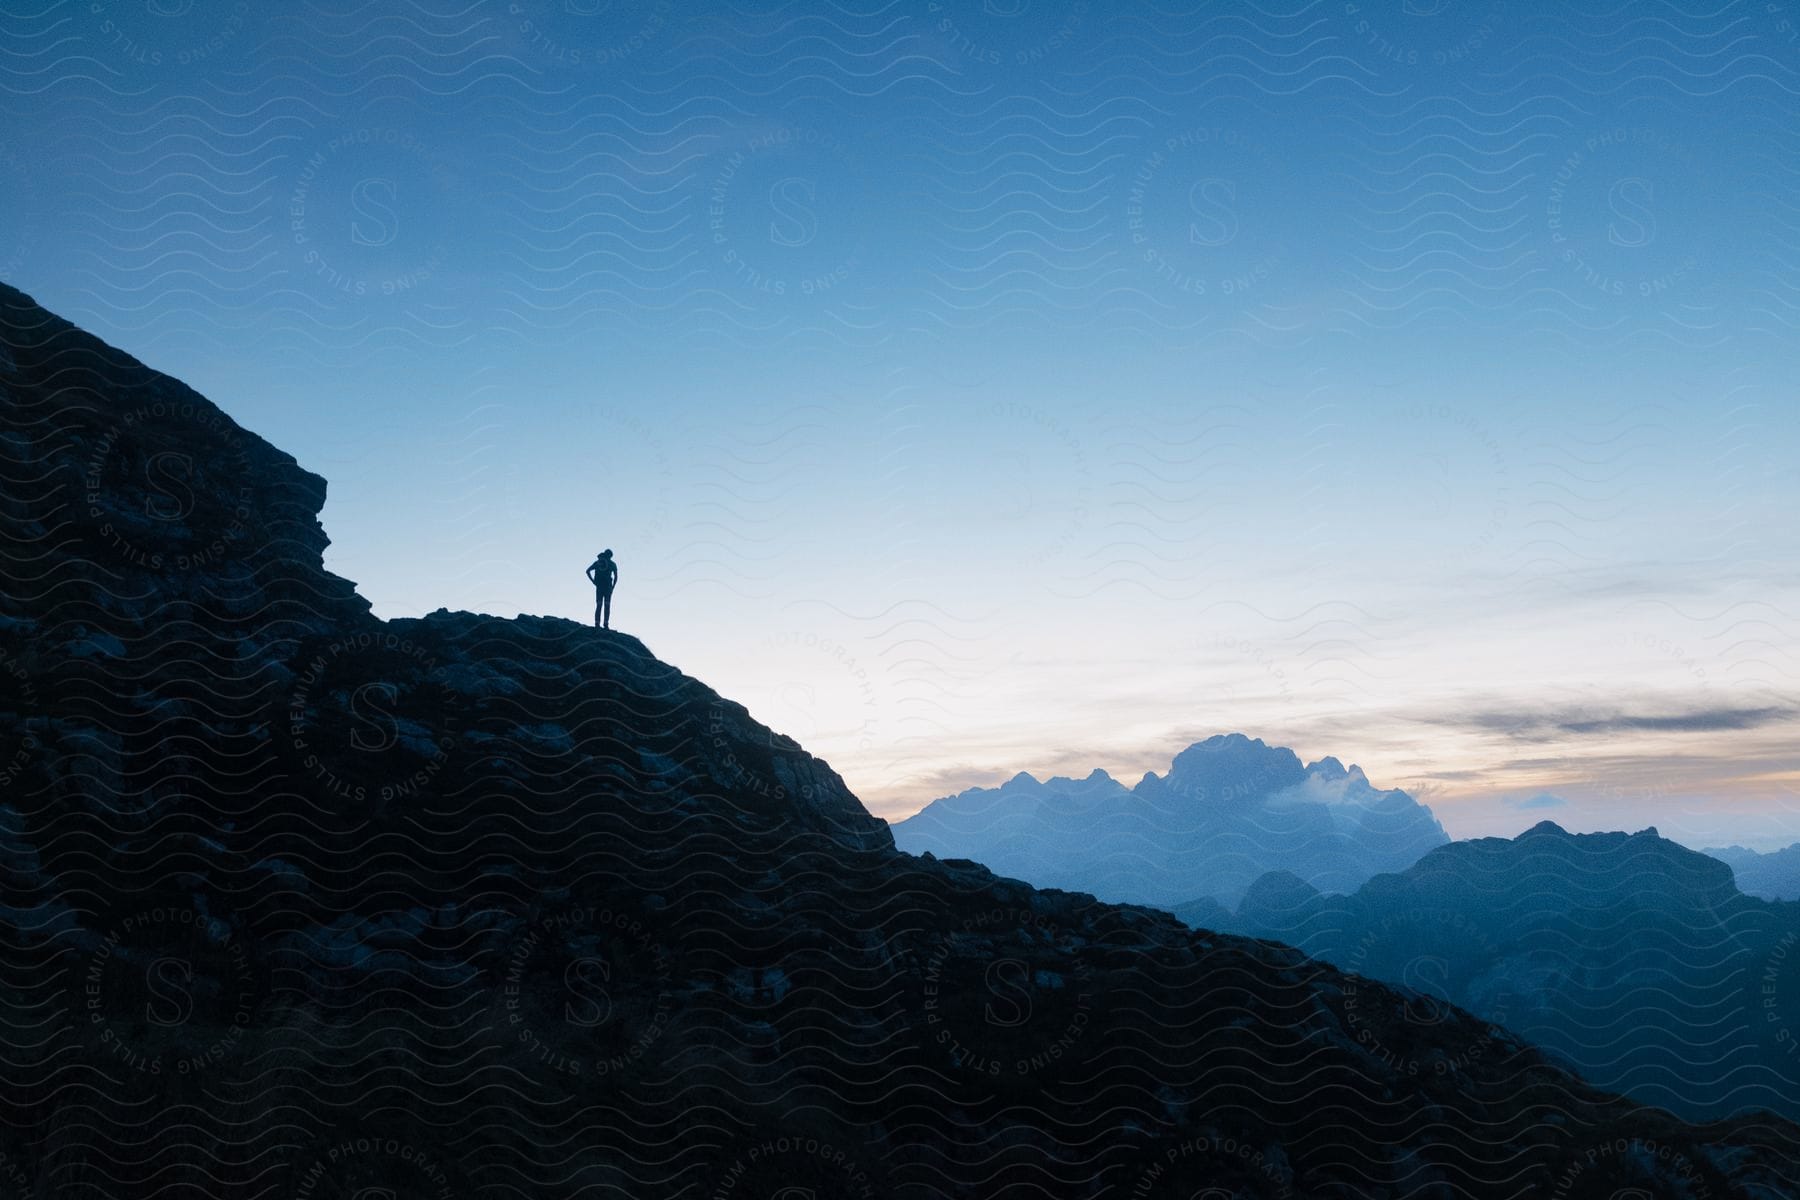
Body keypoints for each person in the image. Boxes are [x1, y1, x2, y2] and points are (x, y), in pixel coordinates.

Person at [586, 549, 618, 629]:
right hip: (607, 587)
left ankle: (597, 624)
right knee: (607, 605)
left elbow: (587, 571)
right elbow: (616, 577)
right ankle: (605, 624)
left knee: (599, 605)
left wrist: (593, 581)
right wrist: (613, 587)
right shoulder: (612, 564)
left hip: (599, 586)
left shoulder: (598, 563)